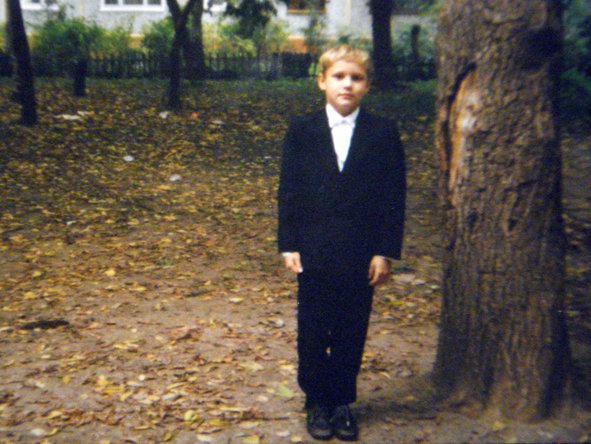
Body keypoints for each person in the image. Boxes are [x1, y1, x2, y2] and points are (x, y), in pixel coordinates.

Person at [277, 45, 406, 441]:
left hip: (360, 251)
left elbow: (393, 195)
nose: (347, 84)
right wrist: (289, 243)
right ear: (322, 81)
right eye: (338, 76)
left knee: (352, 327)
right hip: (314, 249)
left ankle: (342, 401)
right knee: (313, 328)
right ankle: (316, 400)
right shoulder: (303, 130)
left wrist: (384, 250)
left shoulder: (382, 132)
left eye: (356, 78)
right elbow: (289, 190)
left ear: (367, 85)